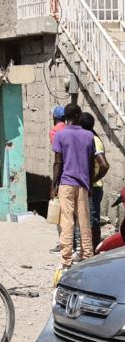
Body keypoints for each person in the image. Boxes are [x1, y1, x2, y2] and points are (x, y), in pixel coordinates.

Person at [53, 103, 99, 267]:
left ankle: (66, 259)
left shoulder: (60, 134)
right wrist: (91, 185)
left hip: (66, 183)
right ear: (79, 115)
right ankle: (87, 255)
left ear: (65, 117)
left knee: (67, 220)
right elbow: (91, 162)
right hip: (83, 184)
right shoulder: (88, 136)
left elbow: (58, 162)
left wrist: (54, 185)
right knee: (84, 220)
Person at [78, 112, 111, 249]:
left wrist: (92, 180)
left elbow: (104, 165)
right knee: (86, 219)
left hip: (93, 187)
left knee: (92, 220)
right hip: (87, 185)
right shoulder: (88, 137)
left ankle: (95, 249)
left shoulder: (93, 140)